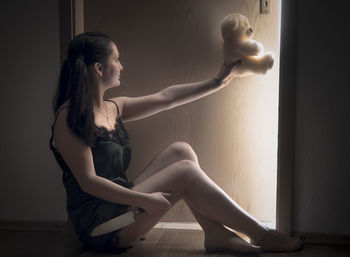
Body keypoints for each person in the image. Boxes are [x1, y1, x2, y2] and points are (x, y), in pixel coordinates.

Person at [49, 31, 303, 254]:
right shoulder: (69, 117)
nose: (121, 66)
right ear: (98, 68)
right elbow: (88, 182)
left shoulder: (114, 107)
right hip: (100, 225)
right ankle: (262, 235)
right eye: (116, 59)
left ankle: (214, 233)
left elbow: (166, 97)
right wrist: (143, 201)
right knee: (185, 171)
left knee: (181, 151)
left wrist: (218, 80)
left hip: (121, 205)